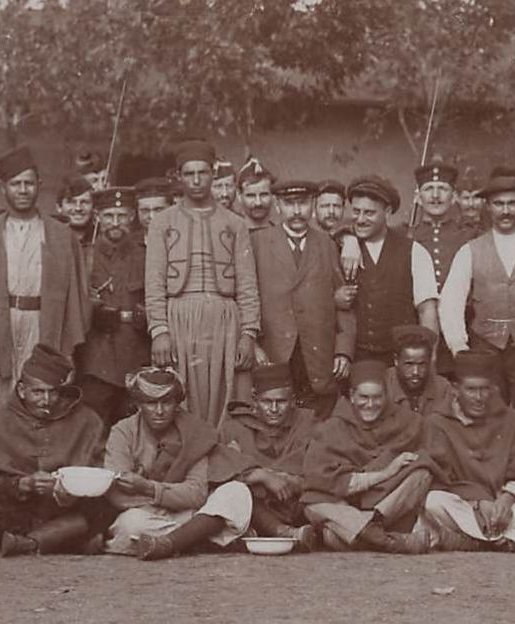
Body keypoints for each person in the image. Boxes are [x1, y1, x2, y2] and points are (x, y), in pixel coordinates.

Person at [145, 139, 261, 427]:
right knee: (183, 396)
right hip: (180, 318)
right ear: (179, 176)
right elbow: (155, 283)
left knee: (225, 395)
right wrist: (159, 329)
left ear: (213, 173)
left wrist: (248, 333)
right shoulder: (162, 222)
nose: (196, 181)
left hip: (224, 319)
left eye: (203, 173)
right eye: (188, 174)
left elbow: (247, 284)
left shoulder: (235, 223)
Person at [0, 145, 92, 413]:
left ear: (39, 186)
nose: (23, 190)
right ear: (3, 189)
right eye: (15, 184)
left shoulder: (61, 235)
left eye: (28, 183)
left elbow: (77, 297)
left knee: (43, 399)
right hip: (3, 324)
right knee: (1, 403)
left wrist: (67, 350)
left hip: (44, 323)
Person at [0, 344, 104, 557]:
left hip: (65, 508)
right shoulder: (0, 419)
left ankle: (29, 543)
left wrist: (67, 489)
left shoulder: (86, 419)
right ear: (22, 390)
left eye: (52, 392)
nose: (46, 401)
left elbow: (100, 471)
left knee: (102, 509)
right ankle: (62, 541)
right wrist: (22, 484)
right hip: (21, 510)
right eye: (38, 392)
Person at [102, 367, 253, 560]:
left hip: (189, 514)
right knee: (130, 525)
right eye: (151, 403)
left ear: (177, 403)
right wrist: (169, 496)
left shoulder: (194, 432)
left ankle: (168, 544)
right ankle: (195, 539)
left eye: (166, 402)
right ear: (138, 404)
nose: (159, 411)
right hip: (147, 515)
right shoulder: (123, 432)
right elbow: (118, 496)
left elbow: (196, 494)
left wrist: (148, 488)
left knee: (236, 492)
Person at [420, 351, 515, 551]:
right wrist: (478, 503)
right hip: (466, 509)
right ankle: (496, 541)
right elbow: (441, 479)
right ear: (455, 389)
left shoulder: (513, 420)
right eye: (471, 390)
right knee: (432, 501)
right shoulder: (437, 422)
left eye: (484, 389)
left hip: (506, 509)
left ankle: (510, 541)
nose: (479, 397)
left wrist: (506, 498)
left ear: (493, 388)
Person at [440, 170, 515, 420]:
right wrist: (459, 347)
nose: (506, 211)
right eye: (499, 204)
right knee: (487, 417)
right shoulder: (471, 250)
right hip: (485, 347)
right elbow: (450, 302)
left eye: (512, 203)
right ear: (488, 206)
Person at [300, 361, 434, 554]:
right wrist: (384, 472)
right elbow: (319, 480)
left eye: (377, 397)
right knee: (312, 503)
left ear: (386, 396)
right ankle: (386, 540)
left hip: (385, 506)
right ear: (352, 397)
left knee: (421, 473)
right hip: (347, 504)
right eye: (364, 397)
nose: (370, 405)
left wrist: (396, 469)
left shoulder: (406, 421)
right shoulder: (332, 428)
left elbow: (426, 458)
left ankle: (367, 530)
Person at [249, 178, 354, 414]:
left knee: (318, 422)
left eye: (303, 203)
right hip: (275, 352)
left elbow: (345, 302)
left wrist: (343, 351)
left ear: (313, 204)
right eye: (289, 203)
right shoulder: (258, 243)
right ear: (278, 206)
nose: (297, 211)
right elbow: (245, 298)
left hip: (318, 355)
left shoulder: (327, 244)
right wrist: (253, 343)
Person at [220, 362, 325, 549]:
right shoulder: (235, 428)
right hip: (256, 506)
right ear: (254, 399)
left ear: (293, 400)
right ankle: (283, 532)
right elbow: (222, 472)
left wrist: (291, 481)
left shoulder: (309, 423)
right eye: (267, 402)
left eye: (281, 402)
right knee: (239, 492)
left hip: (296, 505)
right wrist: (262, 476)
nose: (274, 409)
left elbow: (321, 472)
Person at [77, 186, 149, 431]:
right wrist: (92, 310)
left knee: (134, 427)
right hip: (97, 359)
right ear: (97, 217)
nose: (115, 222)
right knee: (93, 426)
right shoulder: (84, 256)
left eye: (122, 216)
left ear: (132, 217)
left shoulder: (147, 255)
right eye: (109, 216)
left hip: (137, 354)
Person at [349, 174, 442, 364]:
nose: (360, 219)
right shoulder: (344, 248)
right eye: (356, 211)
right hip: (357, 359)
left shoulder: (414, 251)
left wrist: (429, 360)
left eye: (369, 213)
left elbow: (427, 311)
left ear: (388, 211)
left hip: (402, 360)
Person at [408, 160, 480, 289]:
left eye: (442, 189)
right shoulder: (405, 236)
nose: (435, 196)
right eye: (428, 189)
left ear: (453, 198)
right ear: (417, 198)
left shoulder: (471, 235)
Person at [385, 324, 453, 414]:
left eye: (422, 364)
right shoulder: (382, 385)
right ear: (396, 360)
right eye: (409, 364)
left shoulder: (443, 388)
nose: (415, 372)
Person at [56, 173, 95, 250]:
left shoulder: (100, 238)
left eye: (84, 202)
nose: (78, 208)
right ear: (59, 207)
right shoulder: (49, 237)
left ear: (93, 207)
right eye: (71, 202)